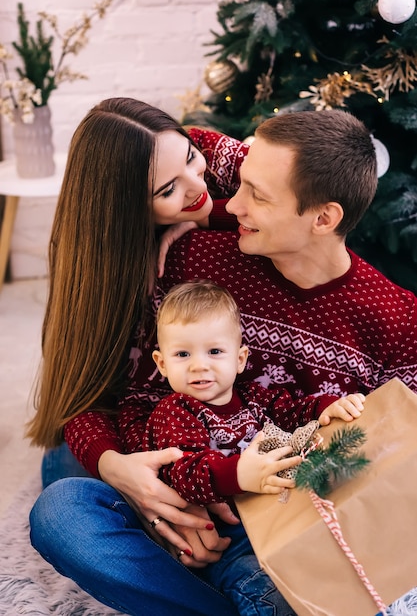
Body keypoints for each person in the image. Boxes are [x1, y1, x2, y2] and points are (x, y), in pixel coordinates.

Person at [28, 107, 417, 616]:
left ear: (323, 218)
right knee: (61, 502)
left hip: (289, 510)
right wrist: (157, 497)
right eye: (240, 184)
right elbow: (133, 391)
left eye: (256, 195)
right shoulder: (195, 260)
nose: (228, 202)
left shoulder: (398, 318)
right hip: (190, 463)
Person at [143, 279, 365, 615]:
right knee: (260, 586)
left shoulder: (255, 398)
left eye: (215, 351)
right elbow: (185, 472)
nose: (199, 365)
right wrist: (239, 474)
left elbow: (295, 411)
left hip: (282, 518)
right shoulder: (175, 411)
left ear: (240, 358)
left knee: (331, 562)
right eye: (183, 354)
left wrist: (326, 409)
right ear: (161, 364)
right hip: (228, 540)